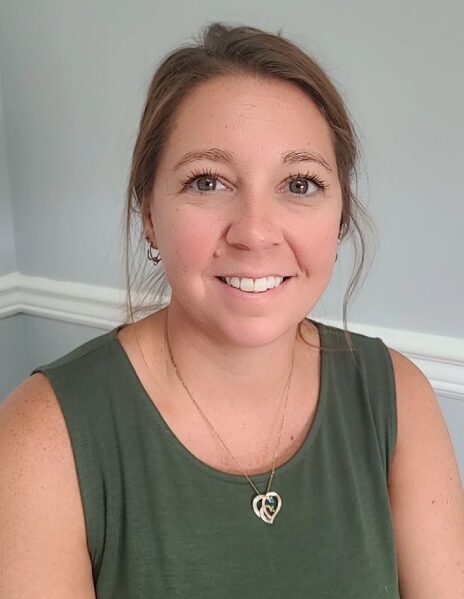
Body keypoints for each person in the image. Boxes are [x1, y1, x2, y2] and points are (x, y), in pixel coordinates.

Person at [0, 22, 463, 599]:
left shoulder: (397, 398)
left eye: (299, 183)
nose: (255, 231)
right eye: (208, 181)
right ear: (149, 212)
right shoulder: (42, 438)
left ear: (340, 214)